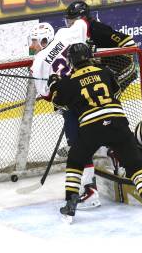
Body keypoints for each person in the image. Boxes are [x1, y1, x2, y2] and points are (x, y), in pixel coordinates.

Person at [48, 43, 142, 224]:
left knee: (75, 162)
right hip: (118, 123)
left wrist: (55, 84)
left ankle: (70, 205)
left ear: (71, 61)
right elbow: (116, 91)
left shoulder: (68, 81)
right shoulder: (105, 71)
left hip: (91, 128)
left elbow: (58, 105)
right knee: (136, 166)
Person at [55, 0, 138, 208]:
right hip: (100, 80)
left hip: (116, 76)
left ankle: (112, 156)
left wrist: (98, 57)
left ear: (82, 18)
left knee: (104, 119)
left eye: (72, 19)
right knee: (95, 118)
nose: (69, 23)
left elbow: (129, 44)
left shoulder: (97, 29)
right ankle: (104, 152)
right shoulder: (76, 34)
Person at [30, 22, 100, 209]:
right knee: (108, 131)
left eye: (34, 42)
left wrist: (59, 93)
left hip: (72, 107)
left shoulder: (38, 62)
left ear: (44, 40)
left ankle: (90, 192)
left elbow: (46, 95)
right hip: (93, 92)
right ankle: (122, 168)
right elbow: (83, 24)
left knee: (78, 148)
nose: (32, 46)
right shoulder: (64, 34)